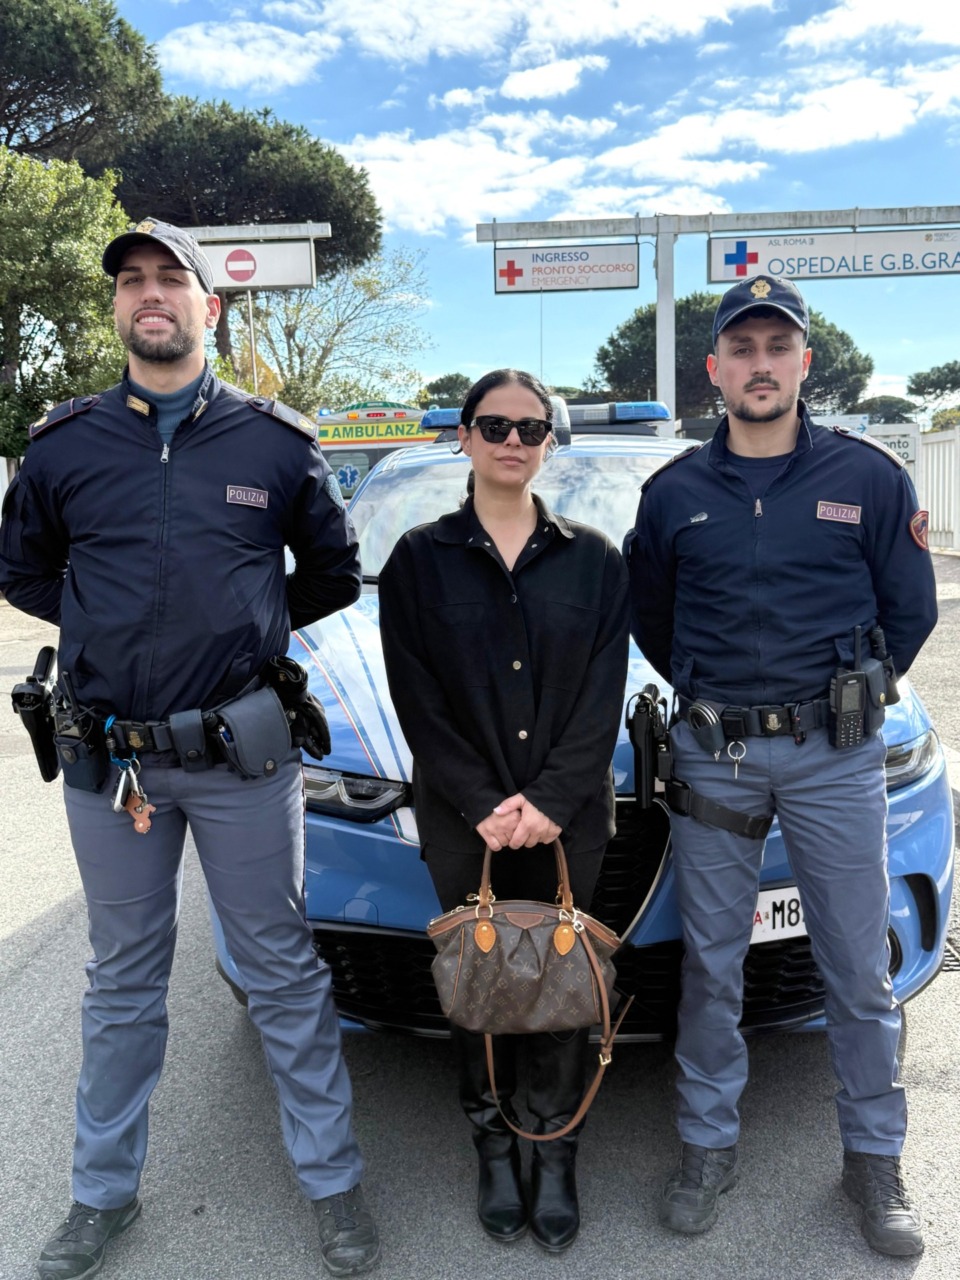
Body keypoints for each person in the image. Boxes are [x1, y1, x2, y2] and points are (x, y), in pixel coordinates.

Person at [0, 219, 381, 1279]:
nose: (150, 293)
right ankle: (99, 1195)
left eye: (173, 278)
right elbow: (26, 574)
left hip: (242, 760)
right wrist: (108, 629)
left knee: (281, 971)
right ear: (117, 307)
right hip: (109, 761)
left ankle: (335, 1183)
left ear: (213, 308)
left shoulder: (276, 441)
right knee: (121, 980)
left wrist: (244, 629)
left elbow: (333, 574)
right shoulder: (64, 444)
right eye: (131, 280)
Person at [624, 275, 938, 1257]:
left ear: (804, 361)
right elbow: (656, 622)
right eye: (741, 348)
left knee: (855, 961)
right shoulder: (673, 492)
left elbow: (913, 610)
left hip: (836, 758)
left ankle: (874, 1157)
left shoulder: (871, 477)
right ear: (715, 369)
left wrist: (840, 698)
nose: (760, 364)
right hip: (715, 760)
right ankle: (708, 1143)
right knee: (712, 965)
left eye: (778, 346)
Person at [378, 369, 629, 1252]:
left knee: (564, 985)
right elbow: (416, 698)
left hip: (570, 820)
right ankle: (493, 1143)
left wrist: (551, 800)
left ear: (550, 442)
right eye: (495, 425)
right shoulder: (418, 557)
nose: (513, 441)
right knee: (479, 981)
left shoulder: (596, 559)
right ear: (464, 435)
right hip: (462, 816)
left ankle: (554, 1146)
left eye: (532, 428)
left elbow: (605, 694)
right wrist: (485, 801)